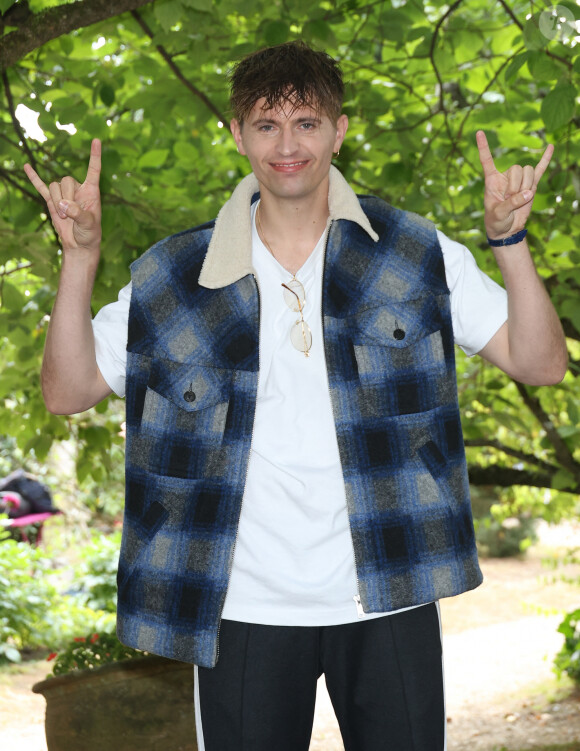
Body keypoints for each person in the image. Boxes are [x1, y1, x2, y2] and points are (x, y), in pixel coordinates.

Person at [25, 41, 566, 751]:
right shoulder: (173, 275)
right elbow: (66, 392)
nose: (288, 145)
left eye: (307, 123)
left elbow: (542, 362)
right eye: (267, 124)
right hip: (243, 607)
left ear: (339, 130)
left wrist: (510, 240)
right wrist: (80, 260)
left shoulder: (412, 250)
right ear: (237, 135)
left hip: (390, 586)